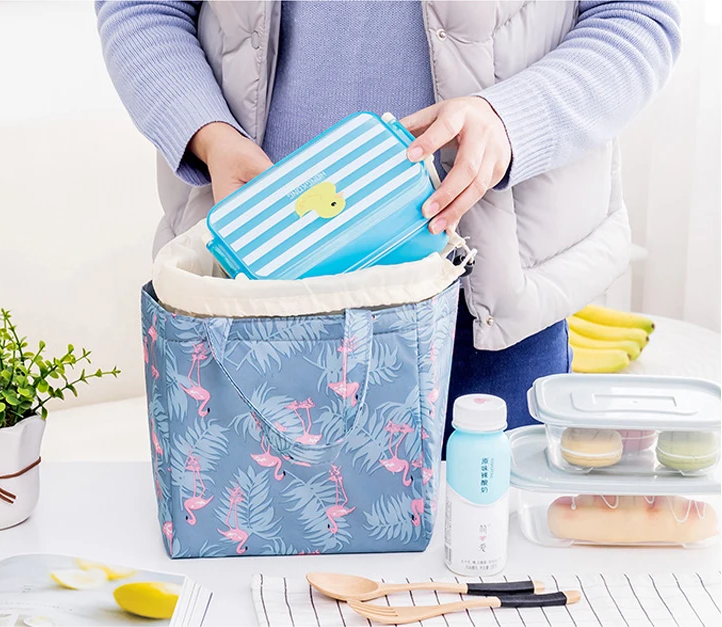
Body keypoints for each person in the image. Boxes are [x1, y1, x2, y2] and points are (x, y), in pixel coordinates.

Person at [96, 1, 680, 445]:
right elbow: (142, 9)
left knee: (486, 558)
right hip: (254, 294)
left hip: (484, 305)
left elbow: (637, 18)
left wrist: (510, 120)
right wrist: (209, 134)